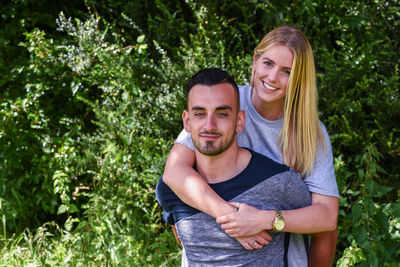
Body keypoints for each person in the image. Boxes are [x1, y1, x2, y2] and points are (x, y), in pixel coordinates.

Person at [162, 26, 339, 267]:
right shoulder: (223, 102)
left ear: (299, 79)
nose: (273, 77)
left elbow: (327, 218)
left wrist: (263, 220)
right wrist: (234, 220)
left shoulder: (310, 132)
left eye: (287, 71)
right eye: (268, 63)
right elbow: (175, 172)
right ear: (255, 61)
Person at [156, 68, 311, 266]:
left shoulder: (278, 182)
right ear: (187, 121)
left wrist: (269, 220)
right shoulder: (172, 189)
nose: (210, 125)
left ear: (239, 121)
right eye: (200, 113)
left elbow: (324, 225)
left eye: (222, 114)